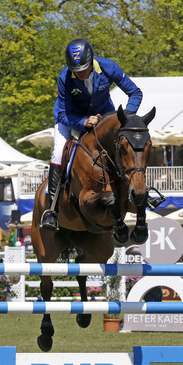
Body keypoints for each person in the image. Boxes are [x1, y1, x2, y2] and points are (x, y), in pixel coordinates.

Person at [40, 38, 142, 231]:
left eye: (83, 69)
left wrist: (126, 117)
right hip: (71, 118)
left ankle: (137, 192)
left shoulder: (109, 67)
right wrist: (82, 122)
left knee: (122, 148)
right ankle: (51, 210)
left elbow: (135, 93)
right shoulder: (64, 77)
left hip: (103, 116)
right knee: (58, 151)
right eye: (75, 71)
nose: (79, 74)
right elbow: (62, 114)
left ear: (92, 62)